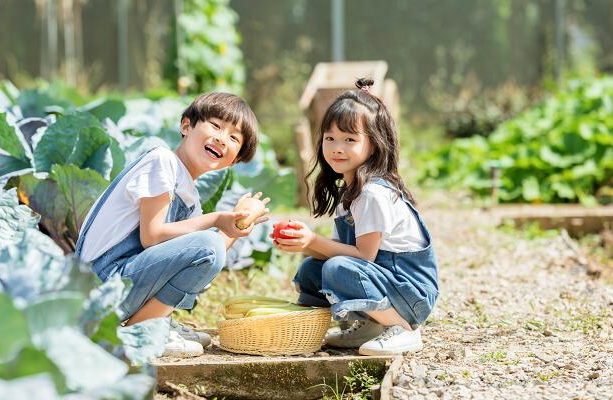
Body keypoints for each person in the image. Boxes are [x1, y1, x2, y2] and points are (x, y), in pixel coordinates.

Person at [76, 92, 269, 357]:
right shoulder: (162, 161)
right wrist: (216, 219)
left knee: (209, 248)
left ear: (234, 160)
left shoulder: (189, 195)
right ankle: (142, 329)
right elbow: (152, 237)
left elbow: (207, 259)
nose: (222, 138)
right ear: (186, 125)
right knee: (208, 244)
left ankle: (154, 322)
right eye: (215, 125)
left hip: (120, 285)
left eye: (234, 137)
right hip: (99, 287)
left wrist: (239, 223)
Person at [273, 78, 438, 355]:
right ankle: (371, 323)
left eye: (350, 139)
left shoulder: (373, 193)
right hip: (385, 281)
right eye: (330, 138)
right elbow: (338, 251)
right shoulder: (349, 192)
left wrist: (313, 239)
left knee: (337, 269)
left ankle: (406, 329)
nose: (337, 147)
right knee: (312, 269)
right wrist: (303, 243)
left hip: (411, 294)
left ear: (374, 144)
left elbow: (363, 257)